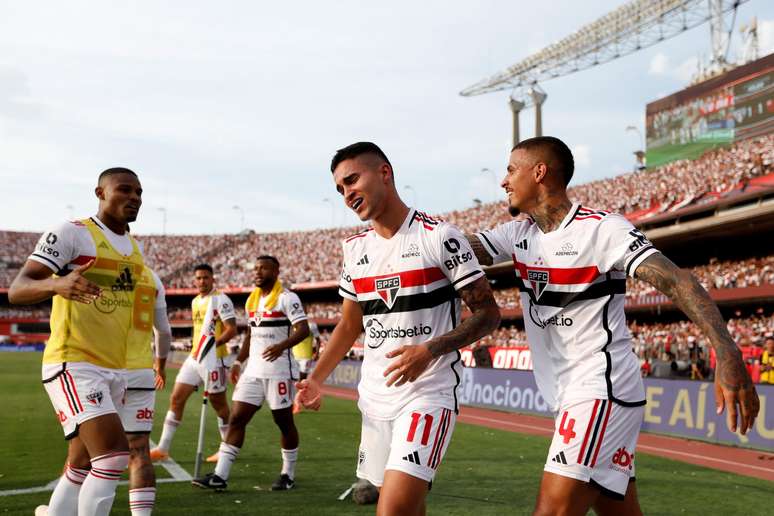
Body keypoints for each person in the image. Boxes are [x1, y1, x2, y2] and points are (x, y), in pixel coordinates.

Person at [467, 136, 759, 516]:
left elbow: (677, 281)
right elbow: (454, 250)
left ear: (539, 172)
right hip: (570, 394)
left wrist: (728, 351)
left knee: (551, 511)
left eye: (510, 170)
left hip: (600, 390)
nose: (503, 182)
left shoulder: (602, 229)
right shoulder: (518, 234)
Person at [295, 142, 501, 516]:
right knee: (407, 506)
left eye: (353, 180)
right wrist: (317, 378)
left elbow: (488, 313)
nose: (347, 194)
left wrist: (429, 351)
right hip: (374, 398)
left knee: (391, 509)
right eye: (340, 189)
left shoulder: (440, 237)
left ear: (385, 173)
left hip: (428, 393)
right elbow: (348, 324)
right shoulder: (354, 249)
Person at [10, 168, 156, 515]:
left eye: (139, 192)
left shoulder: (133, 248)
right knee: (114, 456)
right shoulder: (72, 233)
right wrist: (55, 285)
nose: (134, 197)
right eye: (124, 189)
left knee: (81, 462)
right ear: (100, 193)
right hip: (74, 362)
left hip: (115, 369)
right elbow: (18, 288)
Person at [35, 267, 172, 516]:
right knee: (139, 449)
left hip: (100, 366)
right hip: (140, 370)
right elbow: (163, 331)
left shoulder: (96, 265)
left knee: (81, 457)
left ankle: (57, 512)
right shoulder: (151, 277)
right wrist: (160, 366)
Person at [192, 256, 310, 491]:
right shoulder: (251, 300)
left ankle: (288, 474)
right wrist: (238, 361)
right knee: (236, 419)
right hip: (253, 371)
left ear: (276, 271)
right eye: (255, 268)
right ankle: (220, 476)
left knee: (283, 422)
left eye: (263, 268)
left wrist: (281, 346)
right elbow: (250, 335)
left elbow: (303, 329)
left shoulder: (287, 298)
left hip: (279, 372)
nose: (257, 272)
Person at [150, 264, 237, 463]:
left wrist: (214, 345)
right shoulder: (196, 301)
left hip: (215, 359)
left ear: (213, 279)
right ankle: (163, 448)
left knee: (219, 405)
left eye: (206, 278)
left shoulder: (221, 300)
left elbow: (231, 329)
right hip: (194, 357)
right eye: (198, 278)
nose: (202, 281)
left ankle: (228, 448)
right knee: (177, 398)